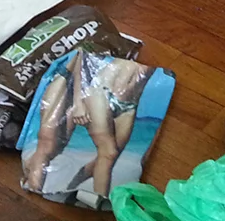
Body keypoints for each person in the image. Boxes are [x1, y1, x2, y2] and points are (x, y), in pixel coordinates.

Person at [22, 50, 154, 199]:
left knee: (108, 156)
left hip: (129, 103)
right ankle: (37, 189)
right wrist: (79, 103)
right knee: (51, 147)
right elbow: (81, 57)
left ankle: (74, 184)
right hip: (100, 90)